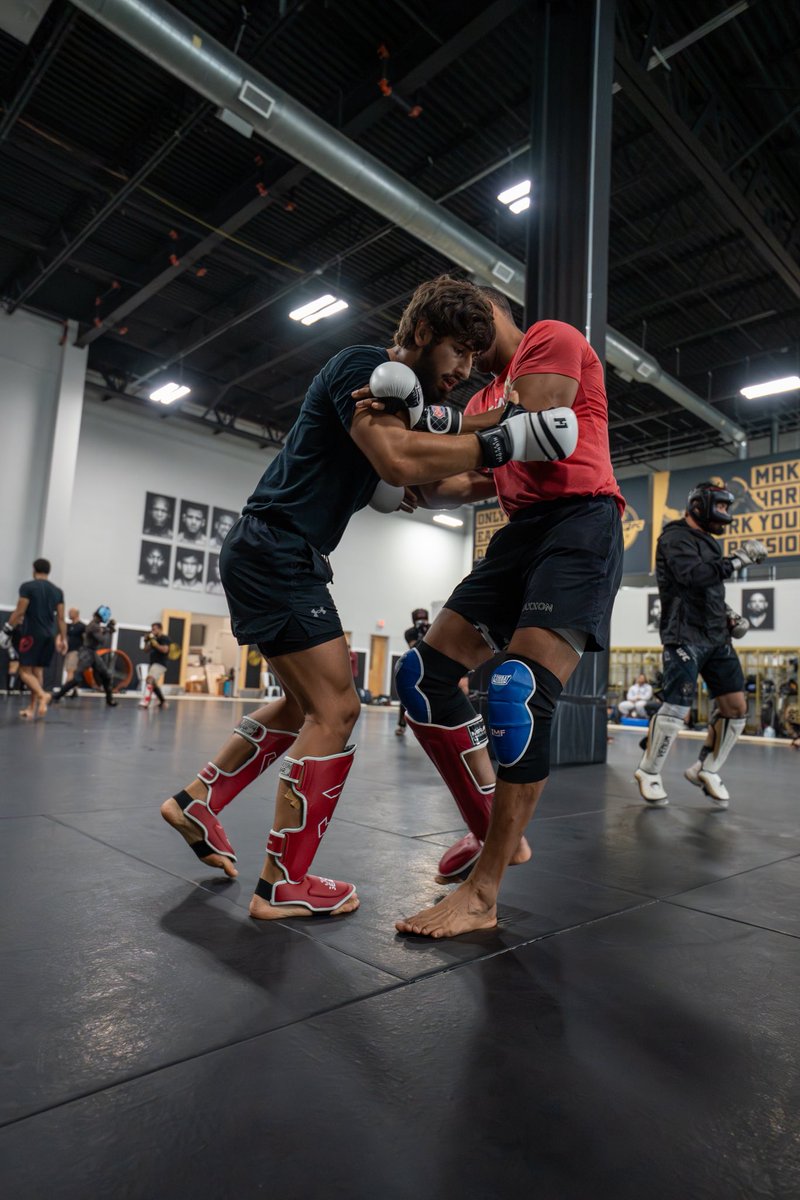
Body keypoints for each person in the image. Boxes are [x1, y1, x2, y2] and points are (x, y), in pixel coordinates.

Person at [159, 274, 572, 922]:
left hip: (272, 551)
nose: (464, 368)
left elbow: (434, 459)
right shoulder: (366, 367)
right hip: (278, 552)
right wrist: (508, 439)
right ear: (422, 333)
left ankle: (197, 801)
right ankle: (281, 883)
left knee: (303, 704)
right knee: (338, 709)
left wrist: (512, 458)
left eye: (473, 356)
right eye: (458, 352)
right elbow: (400, 460)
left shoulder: (399, 400)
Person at [352, 289, 620, 936]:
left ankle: (484, 892)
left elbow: (537, 421)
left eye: (472, 338)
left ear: (486, 309)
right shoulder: (478, 402)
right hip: (519, 534)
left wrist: (430, 430)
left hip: (581, 525)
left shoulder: (549, 337)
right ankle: (490, 829)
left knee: (516, 691)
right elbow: (457, 481)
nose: (465, 358)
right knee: (421, 678)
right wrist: (397, 460)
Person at [634, 482, 767, 809]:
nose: (725, 515)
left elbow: (707, 588)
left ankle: (706, 769)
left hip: (715, 637)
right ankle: (648, 771)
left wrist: (728, 615)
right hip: (683, 635)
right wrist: (738, 561)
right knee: (677, 707)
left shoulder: (708, 543)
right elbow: (691, 576)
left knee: (736, 708)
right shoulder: (674, 537)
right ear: (698, 506)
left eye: (727, 508)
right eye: (720, 507)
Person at [0, 558, 66, 719]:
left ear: (34, 569)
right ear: (48, 571)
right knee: (38, 672)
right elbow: (61, 619)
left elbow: (20, 611)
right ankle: (33, 708)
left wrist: (7, 628)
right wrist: (63, 638)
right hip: (50, 635)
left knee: (24, 672)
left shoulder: (27, 587)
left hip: (32, 634)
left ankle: (43, 696)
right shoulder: (58, 591)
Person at [51, 607, 119, 707]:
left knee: (106, 676)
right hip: (87, 653)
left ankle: (109, 700)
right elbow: (102, 641)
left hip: (92, 653)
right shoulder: (94, 625)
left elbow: (98, 635)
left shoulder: (95, 624)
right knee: (77, 678)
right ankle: (57, 696)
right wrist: (108, 631)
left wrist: (106, 630)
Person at [395, 608, 430, 735]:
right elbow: (414, 647)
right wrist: (422, 634)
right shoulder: (410, 632)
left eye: (424, 619)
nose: (422, 622)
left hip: (430, 666)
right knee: (406, 695)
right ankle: (402, 725)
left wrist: (428, 631)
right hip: (414, 665)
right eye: (419, 620)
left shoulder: (432, 628)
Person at [139, 621, 170, 709]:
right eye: (152, 629)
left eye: (154, 629)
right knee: (152, 683)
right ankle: (163, 702)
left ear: (160, 629)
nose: (152, 631)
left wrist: (154, 643)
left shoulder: (164, 638)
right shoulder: (153, 639)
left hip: (160, 663)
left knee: (149, 679)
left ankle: (145, 702)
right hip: (154, 664)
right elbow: (145, 650)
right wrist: (146, 641)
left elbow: (165, 650)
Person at [63, 608, 86, 687]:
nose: (69, 614)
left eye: (71, 612)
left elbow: (86, 639)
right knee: (68, 670)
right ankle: (74, 689)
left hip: (76, 651)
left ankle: (65, 689)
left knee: (71, 670)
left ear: (76, 614)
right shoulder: (69, 626)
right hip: (69, 650)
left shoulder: (82, 626)